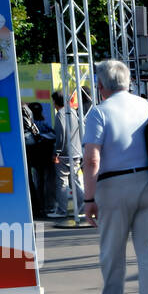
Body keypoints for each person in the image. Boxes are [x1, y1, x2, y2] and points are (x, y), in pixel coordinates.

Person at [81, 58, 148, 294]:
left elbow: (91, 159)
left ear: (101, 85)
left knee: (113, 252)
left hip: (113, 187)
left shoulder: (99, 112)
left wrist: (89, 198)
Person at [50, 89, 83, 218]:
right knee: (74, 181)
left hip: (64, 154)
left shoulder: (60, 115)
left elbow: (61, 136)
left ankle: (62, 211)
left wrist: (56, 153)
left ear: (56, 102)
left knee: (62, 182)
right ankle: (82, 207)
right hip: (76, 152)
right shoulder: (74, 112)